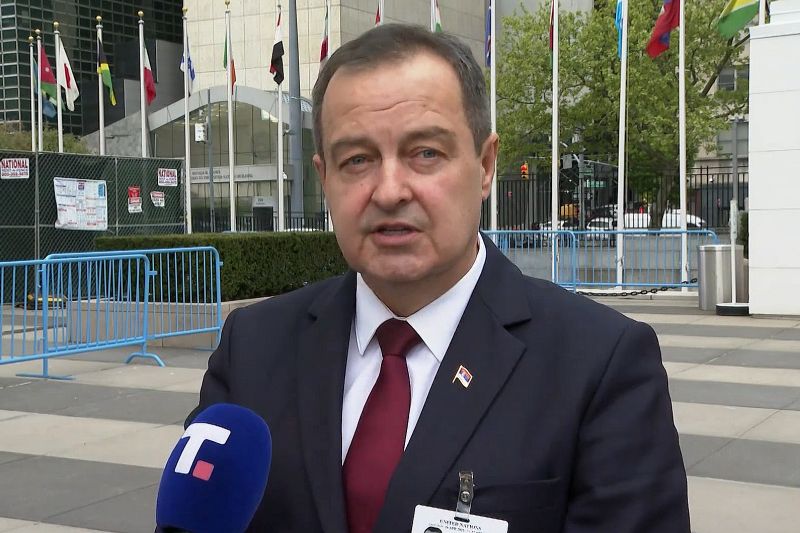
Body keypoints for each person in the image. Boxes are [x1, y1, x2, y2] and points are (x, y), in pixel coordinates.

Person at [187, 24, 690, 533]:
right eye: (357, 160)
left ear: (485, 165)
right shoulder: (253, 348)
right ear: (325, 178)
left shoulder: (600, 365)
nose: (389, 191)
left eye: (425, 152)